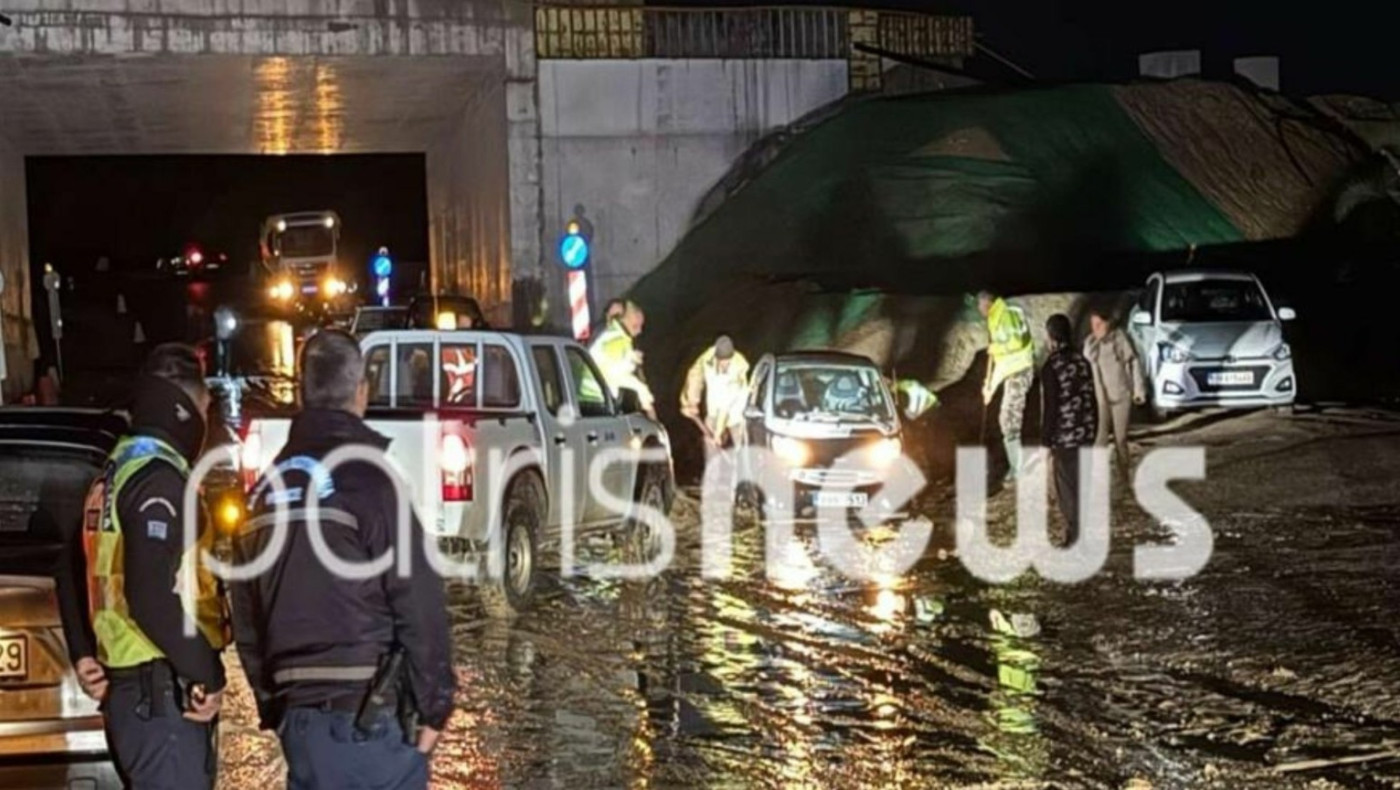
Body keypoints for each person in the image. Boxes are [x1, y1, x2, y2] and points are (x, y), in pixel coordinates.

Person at [230, 330, 455, 790]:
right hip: (370, 725)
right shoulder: (372, 481)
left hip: (302, 727)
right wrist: (435, 706)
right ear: (361, 392)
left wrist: (274, 707)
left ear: (300, 393)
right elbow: (419, 600)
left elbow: (246, 617)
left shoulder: (263, 493)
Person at [81, 343, 229, 789]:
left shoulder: (114, 470)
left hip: (136, 696)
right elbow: (149, 598)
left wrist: (82, 653)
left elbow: (67, 569)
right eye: (205, 404)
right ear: (186, 406)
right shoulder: (159, 478)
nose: (208, 415)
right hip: (161, 699)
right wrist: (209, 671)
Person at [1040, 314, 1098, 544]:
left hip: (1065, 437)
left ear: (1052, 337)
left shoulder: (1052, 366)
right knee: (1083, 483)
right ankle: (1082, 531)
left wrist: (1045, 441)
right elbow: (1091, 398)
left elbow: (1051, 407)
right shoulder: (1082, 361)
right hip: (1086, 432)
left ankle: (1075, 535)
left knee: (1067, 487)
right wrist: (1093, 429)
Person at [978, 290, 1035, 482]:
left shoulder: (1007, 314)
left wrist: (995, 348)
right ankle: (1015, 465)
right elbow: (1001, 362)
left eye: (979, 304)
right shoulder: (995, 318)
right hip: (1012, 371)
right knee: (1006, 419)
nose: (978, 309)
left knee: (1009, 419)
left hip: (1020, 370)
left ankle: (1018, 468)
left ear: (987, 302)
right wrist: (990, 389)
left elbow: (1016, 342)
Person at [1083, 307, 1145, 481]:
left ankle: (1125, 475)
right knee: (1099, 441)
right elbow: (1086, 363)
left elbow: (1133, 363)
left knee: (1121, 439)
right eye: (1093, 325)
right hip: (1100, 400)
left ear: (1107, 323)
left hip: (1120, 396)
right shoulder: (1090, 344)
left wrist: (1138, 389)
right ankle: (1098, 479)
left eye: (1098, 324)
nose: (1095, 329)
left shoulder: (1119, 339)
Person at [679, 335, 749, 452]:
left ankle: (740, 467)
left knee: (741, 451)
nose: (725, 365)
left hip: (736, 416)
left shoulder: (738, 369)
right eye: (722, 361)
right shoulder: (708, 357)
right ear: (717, 357)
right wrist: (692, 402)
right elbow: (696, 373)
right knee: (710, 449)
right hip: (713, 412)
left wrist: (718, 432)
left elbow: (726, 404)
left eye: (728, 362)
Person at [588, 300, 655, 417]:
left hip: (593, 396)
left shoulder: (609, 334)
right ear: (623, 319)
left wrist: (630, 357)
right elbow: (614, 374)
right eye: (635, 326)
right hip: (597, 397)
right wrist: (641, 389)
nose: (639, 331)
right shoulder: (618, 340)